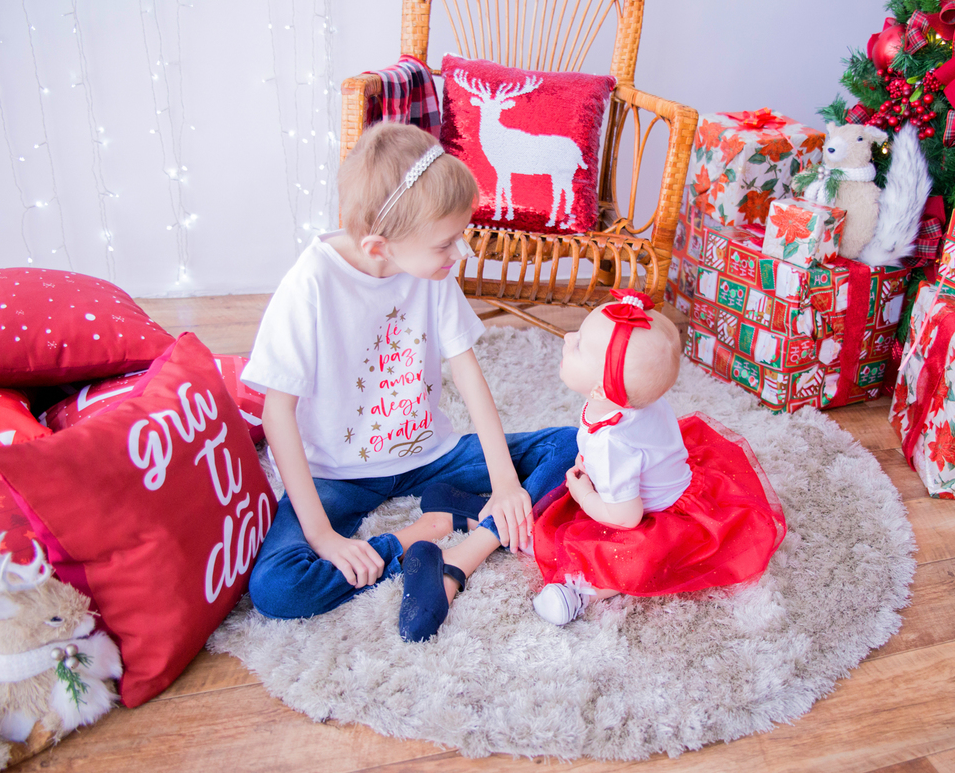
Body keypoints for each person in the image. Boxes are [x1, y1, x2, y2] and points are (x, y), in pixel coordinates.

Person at [241, 122, 576, 642]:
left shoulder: (430, 270)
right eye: (447, 244)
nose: (459, 253)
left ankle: (467, 552)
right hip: (338, 476)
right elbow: (275, 411)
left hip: (431, 457)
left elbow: (466, 370)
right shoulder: (309, 286)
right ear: (380, 246)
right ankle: (428, 531)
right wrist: (323, 537)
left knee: (580, 444)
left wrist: (506, 482)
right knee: (277, 590)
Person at [530, 289, 787, 624]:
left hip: (654, 516)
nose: (567, 336)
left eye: (578, 345)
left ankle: (583, 592)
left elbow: (627, 518)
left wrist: (586, 494)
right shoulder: (633, 401)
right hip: (666, 475)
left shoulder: (611, 443)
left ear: (599, 389)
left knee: (633, 559)